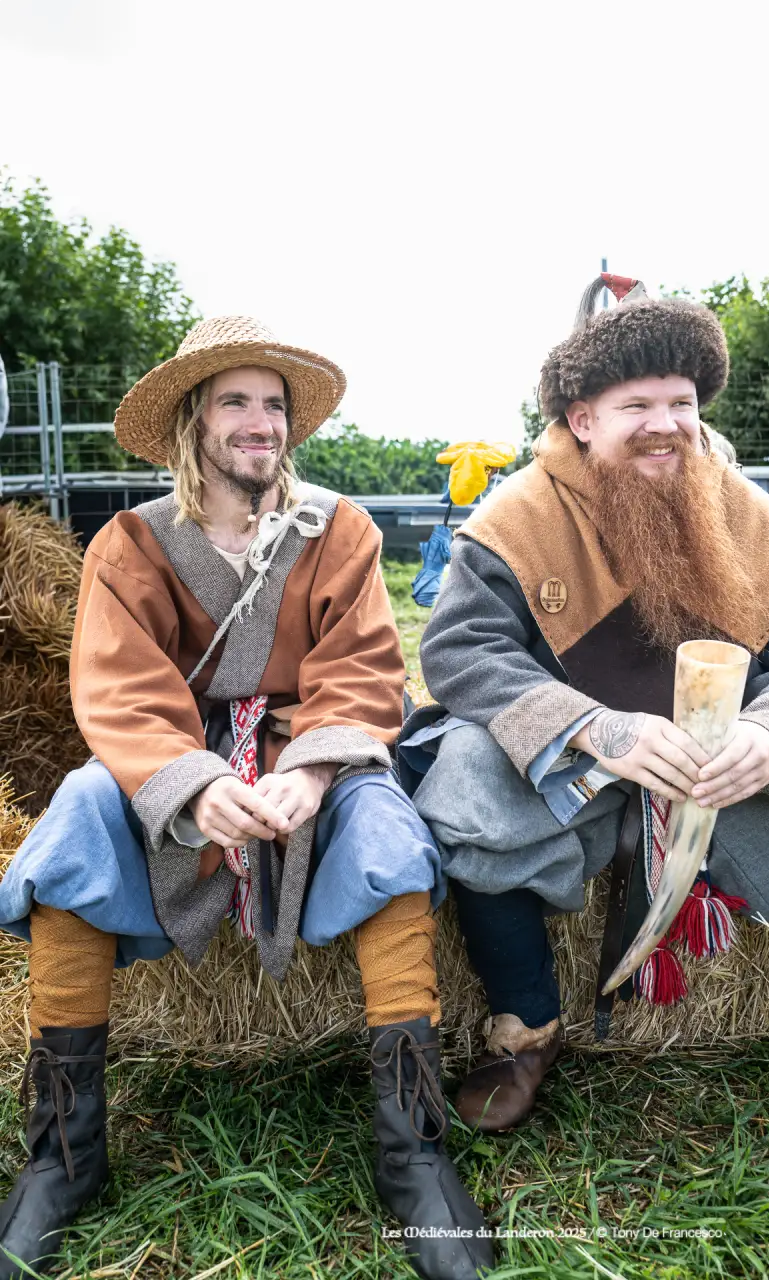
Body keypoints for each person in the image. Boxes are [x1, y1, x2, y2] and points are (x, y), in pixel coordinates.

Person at [0, 317, 492, 1280]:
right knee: (69, 823)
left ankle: (414, 1152)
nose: (261, 423)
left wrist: (310, 769)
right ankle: (62, 1155)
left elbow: (363, 670)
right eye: (237, 402)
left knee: (389, 828)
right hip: (175, 761)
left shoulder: (338, 530)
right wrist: (196, 786)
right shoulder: (130, 545)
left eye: (274, 405)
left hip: (309, 756)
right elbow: (118, 689)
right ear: (193, 420)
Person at [399, 276, 769, 1135]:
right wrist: (592, 729)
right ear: (581, 417)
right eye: (637, 403)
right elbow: (459, 652)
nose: (666, 423)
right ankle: (525, 1028)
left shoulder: (740, 506)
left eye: (680, 401)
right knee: (464, 777)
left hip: (724, 769)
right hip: (577, 772)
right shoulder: (517, 516)